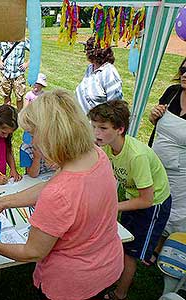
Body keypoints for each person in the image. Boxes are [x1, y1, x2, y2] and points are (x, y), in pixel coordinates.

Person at [0, 89, 124, 300]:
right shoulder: (96, 155)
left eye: (33, 133)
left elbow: (33, 252)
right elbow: (53, 185)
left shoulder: (59, 194)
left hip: (71, 285)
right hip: (107, 264)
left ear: (51, 134)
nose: (31, 140)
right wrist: (7, 201)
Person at [89, 100, 172, 300]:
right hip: (133, 197)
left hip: (154, 205)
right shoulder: (107, 146)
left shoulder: (137, 156)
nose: (96, 133)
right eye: (93, 127)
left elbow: (146, 200)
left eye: (102, 128)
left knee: (131, 253)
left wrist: (112, 206)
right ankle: (114, 276)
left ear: (120, 129)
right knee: (121, 240)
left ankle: (120, 294)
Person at [149, 58, 186, 238]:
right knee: (153, 200)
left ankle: (169, 245)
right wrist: (154, 116)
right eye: (183, 69)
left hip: (181, 173)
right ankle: (151, 240)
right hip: (157, 162)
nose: (184, 75)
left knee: (177, 210)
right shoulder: (172, 92)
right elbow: (156, 123)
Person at [76, 36, 123, 114]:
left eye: (87, 49)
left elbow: (115, 107)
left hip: (96, 124)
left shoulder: (109, 73)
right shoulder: (90, 68)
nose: (86, 53)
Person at [0, 40, 30, 111]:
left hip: (18, 75)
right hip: (5, 74)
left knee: (19, 97)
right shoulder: (2, 41)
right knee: (6, 96)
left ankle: (19, 116)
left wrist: (27, 64)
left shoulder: (23, 41)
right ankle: (8, 115)